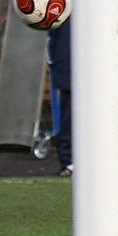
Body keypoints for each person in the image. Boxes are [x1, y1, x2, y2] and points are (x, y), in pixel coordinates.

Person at [48, 16, 72, 176]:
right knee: (69, 116)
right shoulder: (61, 11)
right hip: (68, 70)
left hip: (92, 72)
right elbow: (51, 42)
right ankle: (69, 161)